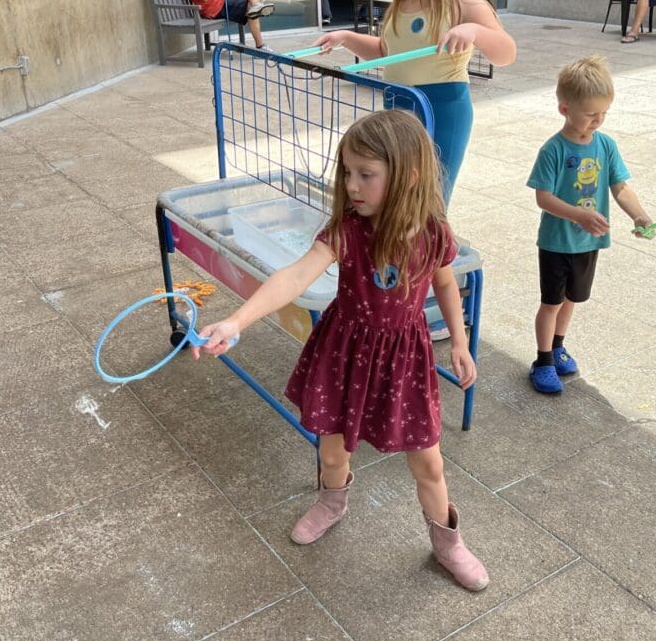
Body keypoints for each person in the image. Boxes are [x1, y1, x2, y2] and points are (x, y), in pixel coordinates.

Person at [193, 109, 488, 591]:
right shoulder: (346, 232)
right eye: (347, 172)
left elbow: (446, 282)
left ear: (408, 175)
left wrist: (458, 339)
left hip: (404, 362)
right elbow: (294, 275)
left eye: (366, 175)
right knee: (332, 451)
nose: (351, 185)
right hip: (345, 353)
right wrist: (236, 320)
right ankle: (332, 500)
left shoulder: (434, 233)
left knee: (428, 461)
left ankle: (447, 542)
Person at [316, 0, 517, 205]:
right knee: (397, 202)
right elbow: (387, 51)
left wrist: (475, 31)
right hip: (397, 110)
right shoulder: (403, 1)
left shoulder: (462, 0)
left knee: (429, 204)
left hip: (442, 111)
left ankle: (430, 252)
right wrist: (346, 37)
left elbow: (506, 53)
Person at [526, 56, 652, 394]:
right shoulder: (553, 150)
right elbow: (543, 198)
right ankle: (542, 360)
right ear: (564, 109)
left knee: (571, 300)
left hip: (588, 244)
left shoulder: (606, 145)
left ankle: (557, 346)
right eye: (590, 114)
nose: (598, 120)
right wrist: (578, 214)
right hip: (556, 242)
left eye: (603, 113)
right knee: (551, 302)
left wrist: (638, 214)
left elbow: (621, 187)